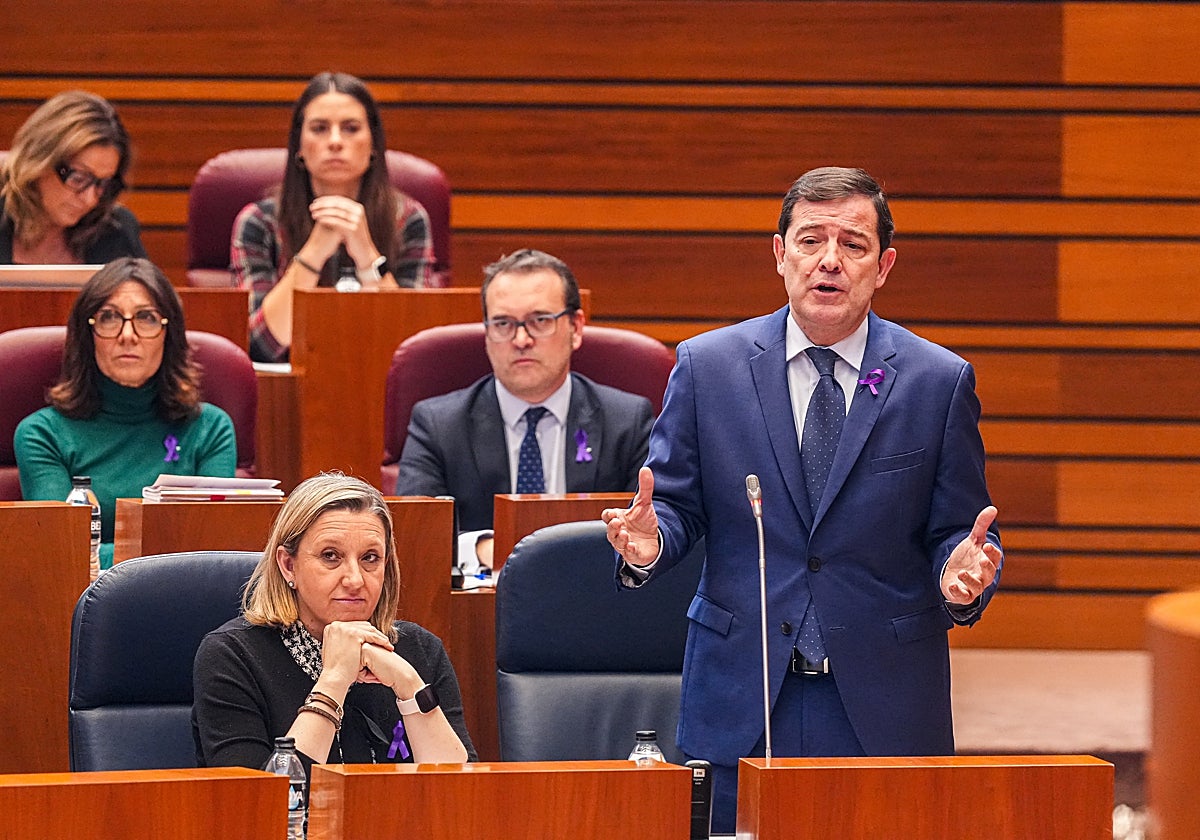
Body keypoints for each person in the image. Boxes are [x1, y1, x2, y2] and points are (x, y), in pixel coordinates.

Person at [602, 166, 1003, 832]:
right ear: (779, 254)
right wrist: (653, 542)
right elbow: (673, 504)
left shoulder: (937, 381)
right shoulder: (708, 367)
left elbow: (960, 532)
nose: (830, 261)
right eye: (811, 239)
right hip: (743, 692)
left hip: (883, 698)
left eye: (853, 244)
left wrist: (961, 577)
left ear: (884, 266)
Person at [192, 472, 475, 773]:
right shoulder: (232, 657)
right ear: (288, 566)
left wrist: (410, 687)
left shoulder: (420, 650)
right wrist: (335, 679)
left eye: (370, 558)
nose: (354, 579)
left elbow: (461, 799)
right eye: (331, 556)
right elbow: (261, 806)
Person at [396, 248, 654, 573]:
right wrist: (483, 550)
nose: (521, 339)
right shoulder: (438, 425)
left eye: (540, 321)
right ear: (487, 332)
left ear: (575, 328)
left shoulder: (627, 422)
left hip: (595, 600)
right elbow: (415, 541)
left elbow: (643, 536)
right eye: (503, 323)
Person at [15, 257, 236, 568]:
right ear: (87, 335)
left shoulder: (210, 428)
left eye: (145, 317)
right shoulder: (42, 434)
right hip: (82, 601)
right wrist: (165, 552)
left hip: (186, 597)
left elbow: (214, 547)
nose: (127, 335)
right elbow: (61, 550)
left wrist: (108, 551)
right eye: (109, 317)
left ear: (168, 334)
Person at [231, 71, 440, 363]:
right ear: (299, 148)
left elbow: (413, 345)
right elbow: (260, 344)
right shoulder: (259, 222)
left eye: (351, 128)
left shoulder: (406, 218)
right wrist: (315, 252)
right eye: (319, 128)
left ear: (374, 146)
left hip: (379, 382)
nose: (335, 141)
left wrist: (366, 255)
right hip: (285, 389)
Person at [0, 90, 146, 265]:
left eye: (104, 184)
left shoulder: (117, 231)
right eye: (78, 178)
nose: (91, 199)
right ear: (38, 162)